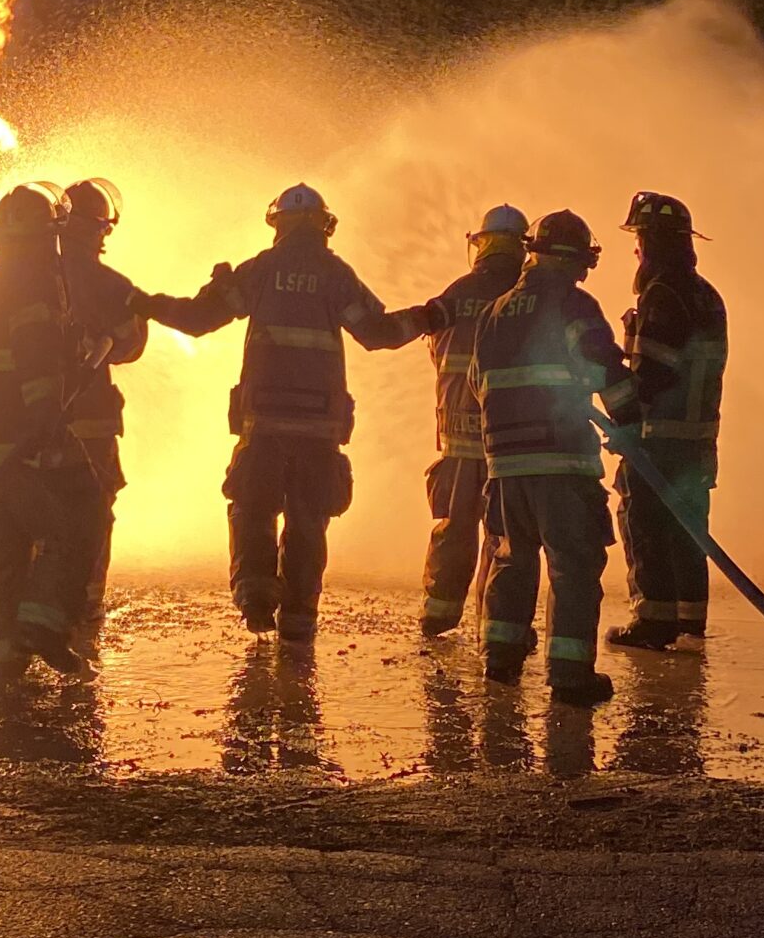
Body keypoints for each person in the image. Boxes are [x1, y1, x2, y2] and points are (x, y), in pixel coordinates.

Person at [135, 183, 430, 642]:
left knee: (253, 508)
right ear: (324, 226)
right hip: (319, 429)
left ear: (278, 224)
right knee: (308, 520)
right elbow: (379, 333)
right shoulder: (336, 275)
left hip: (263, 424)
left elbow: (197, 320)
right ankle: (299, 623)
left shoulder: (261, 269)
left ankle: (255, 597)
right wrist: (430, 318)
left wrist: (146, 303)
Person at [469, 209, 640, 706]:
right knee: (573, 565)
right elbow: (603, 366)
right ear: (579, 260)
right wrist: (631, 425)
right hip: (561, 462)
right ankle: (569, 676)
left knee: (510, 560)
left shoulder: (494, 310)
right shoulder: (573, 303)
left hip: (504, 465)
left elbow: (478, 384)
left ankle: (499, 661)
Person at [0, 184, 93, 678]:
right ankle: (43, 624)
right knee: (80, 514)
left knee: (2, 544)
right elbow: (35, 355)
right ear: (47, 237)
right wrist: (45, 419)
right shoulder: (32, 284)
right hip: (24, 442)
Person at [607, 191, 728, 651]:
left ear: (653, 242)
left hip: (658, 437)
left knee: (646, 525)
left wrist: (623, 413)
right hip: (698, 438)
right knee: (689, 531)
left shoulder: (662, 294)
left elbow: (652, 373)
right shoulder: (707, 295)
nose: (636, 248)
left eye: (639, 237)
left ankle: (654, 623)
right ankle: (689, 625)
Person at [418, 203, 529, 640]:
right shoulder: (527, 296)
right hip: (511, 439)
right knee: (505, 537)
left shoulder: (456, 293)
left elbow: (435, 350)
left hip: (457, 438)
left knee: (454, 526)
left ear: (479, 244)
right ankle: (495, 626)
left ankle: (438, 614)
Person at [57, 178, 149, 624]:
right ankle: (86, 602)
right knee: (92, 509)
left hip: (27, 422)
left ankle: (32, 601)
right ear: (100, 230)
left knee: (35, 506)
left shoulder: (24, 277)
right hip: (91, 422)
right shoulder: (110, 284)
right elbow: (132, 347)